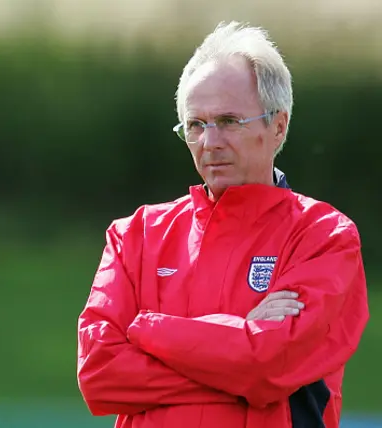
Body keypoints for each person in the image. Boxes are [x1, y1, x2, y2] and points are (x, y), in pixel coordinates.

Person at [76, 21, 369, 428]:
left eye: (229, 121)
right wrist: (240, 339)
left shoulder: (324, 235)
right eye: (196, 124)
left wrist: (150, 331)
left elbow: (269, 365)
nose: (210, 141)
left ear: (278, 125)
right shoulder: (136, 234)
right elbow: (99, 373)